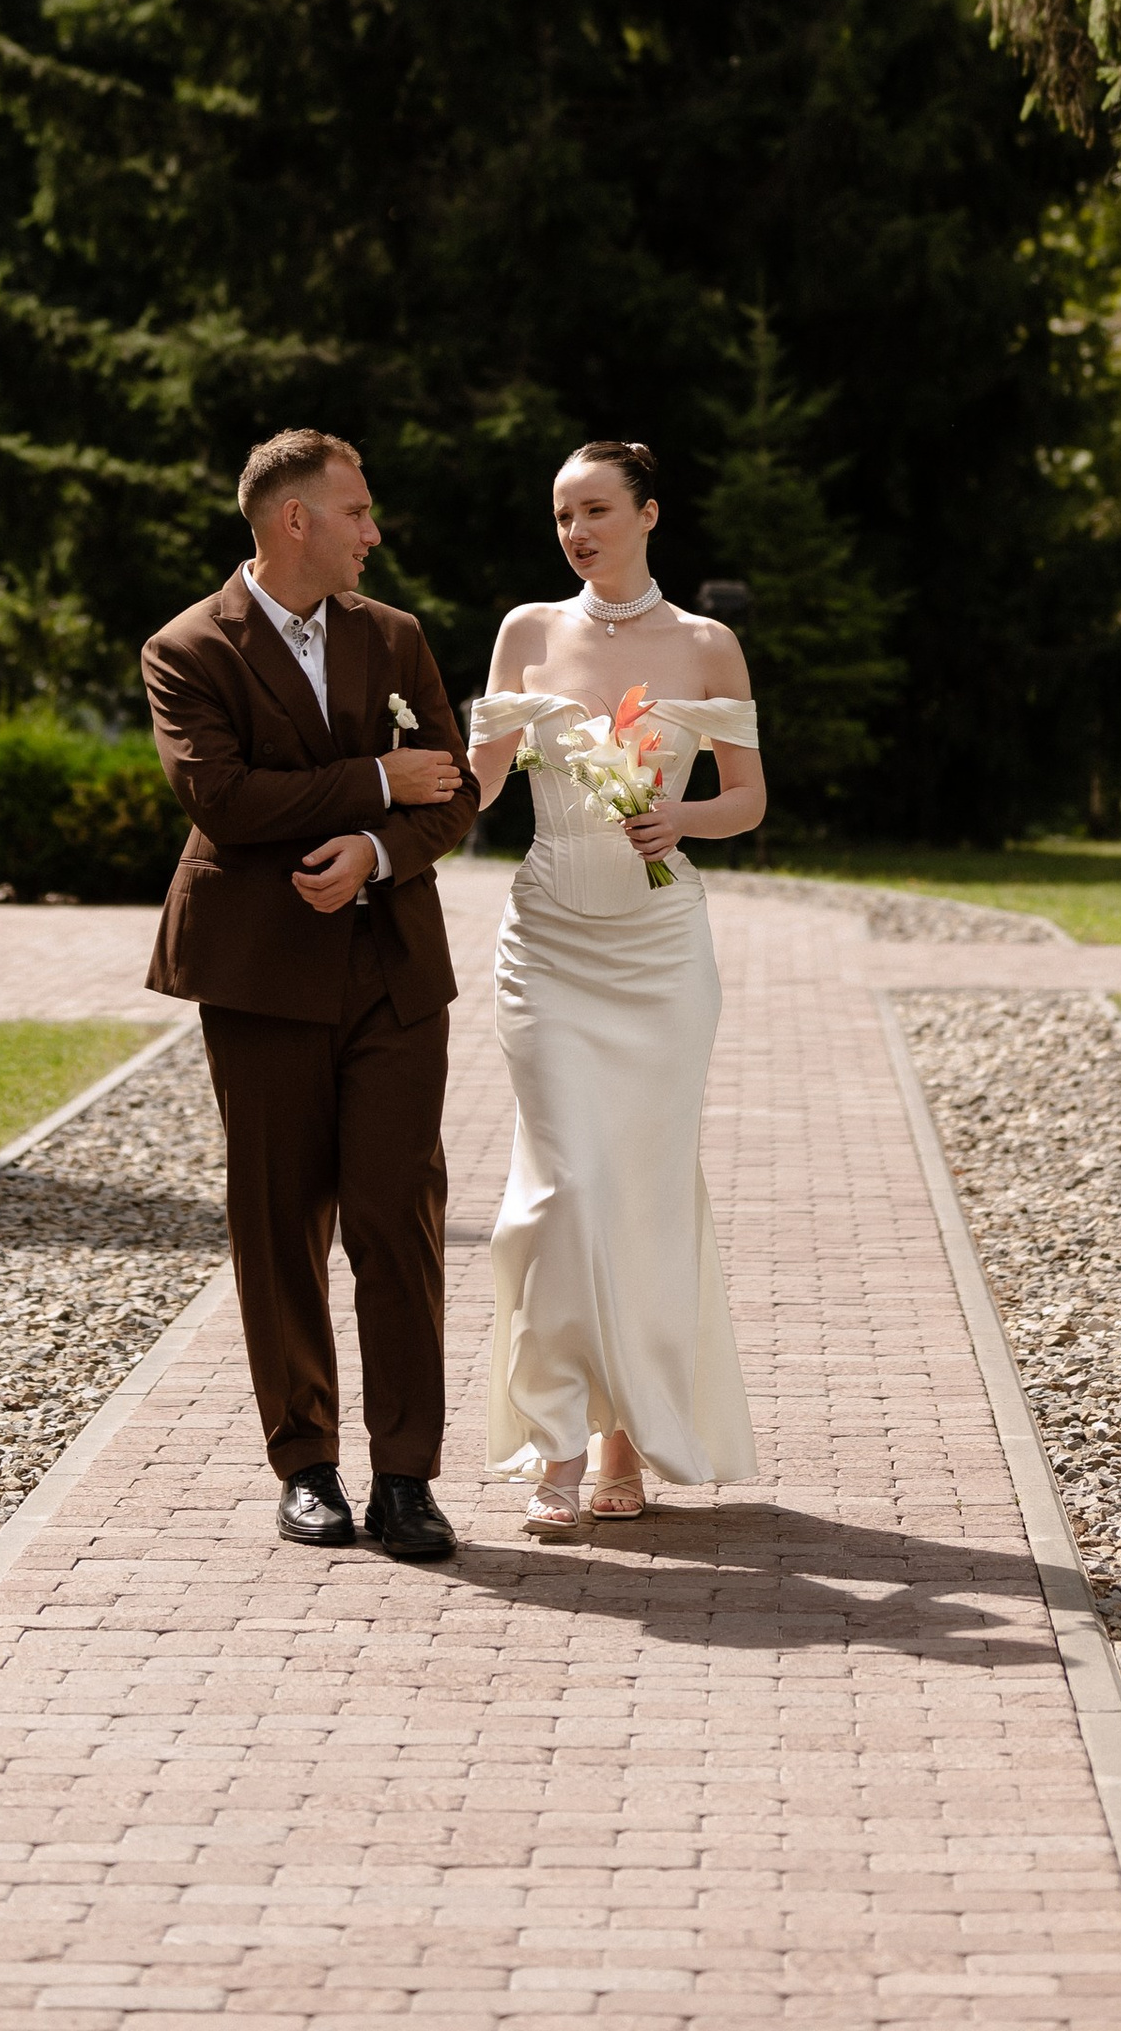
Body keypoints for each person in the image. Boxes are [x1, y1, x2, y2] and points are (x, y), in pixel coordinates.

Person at [143, 430, 476, 1561]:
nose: (374, 532)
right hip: (259, 974)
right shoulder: (187, 648)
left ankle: (406, 1476)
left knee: (399, 1219)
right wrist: (379, 782)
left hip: (392, 972)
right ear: (296, 520)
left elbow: (458, 796)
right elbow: (225, 799)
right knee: (278, 1224)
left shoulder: (396, 636)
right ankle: (308, 1465)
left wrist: (375, 854)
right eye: (358, 511)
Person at [467, 437, 764, 1531]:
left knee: (636, 1188)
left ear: (648, 512)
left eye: (595, 509)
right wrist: (406, 774)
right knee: (561, 1187)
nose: (576, 531)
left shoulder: (704, 643)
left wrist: (676, 815)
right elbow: (482, 783)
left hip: (659, 950)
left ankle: (620, 1438)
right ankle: (547, 1445)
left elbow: (745, 799)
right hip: (546, 938)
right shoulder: (527, 632)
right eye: (560, 516)